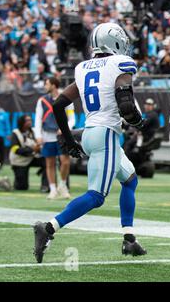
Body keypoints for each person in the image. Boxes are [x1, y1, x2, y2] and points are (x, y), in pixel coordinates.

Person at [33, 23, 149, 264]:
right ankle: (49, 228)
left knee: (130, 180)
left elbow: (57, 104)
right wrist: (138, 121)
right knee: (96, 196)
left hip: (91, 132)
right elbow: (126, 104)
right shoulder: (120, 64)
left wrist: (66, 137)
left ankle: (129, 239)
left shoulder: (83, 68)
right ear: (115, 41)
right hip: (106, 134)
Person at [35, 77, 75, 200]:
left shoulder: (66, 98)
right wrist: (38, 136)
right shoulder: (42, 100)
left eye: (47, 84)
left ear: (54, 85)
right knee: (49, 163)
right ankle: (52, 189)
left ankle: (62, 186)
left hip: (62, 136)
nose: (45, 86)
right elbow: (38, 119)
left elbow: (72, 118)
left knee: (65, 162)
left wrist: (64, 128)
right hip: (47, 136)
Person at [9, 115, 47, 191]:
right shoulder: (15, 133)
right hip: (19, 161)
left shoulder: (33, 131)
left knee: (47, 162)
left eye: (30, 120)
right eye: (27, 120)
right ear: (22, 122)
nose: (30, 122)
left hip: (31, 158)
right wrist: (32, 150)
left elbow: (39, 144)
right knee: (22, 187)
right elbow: (15, 149)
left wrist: (39, 147)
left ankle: (45, 186)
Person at [0, 103, 11, 173]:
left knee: (1, 153)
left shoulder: (4, 115)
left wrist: (8, 134)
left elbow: (7, 125)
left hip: (1, 137)